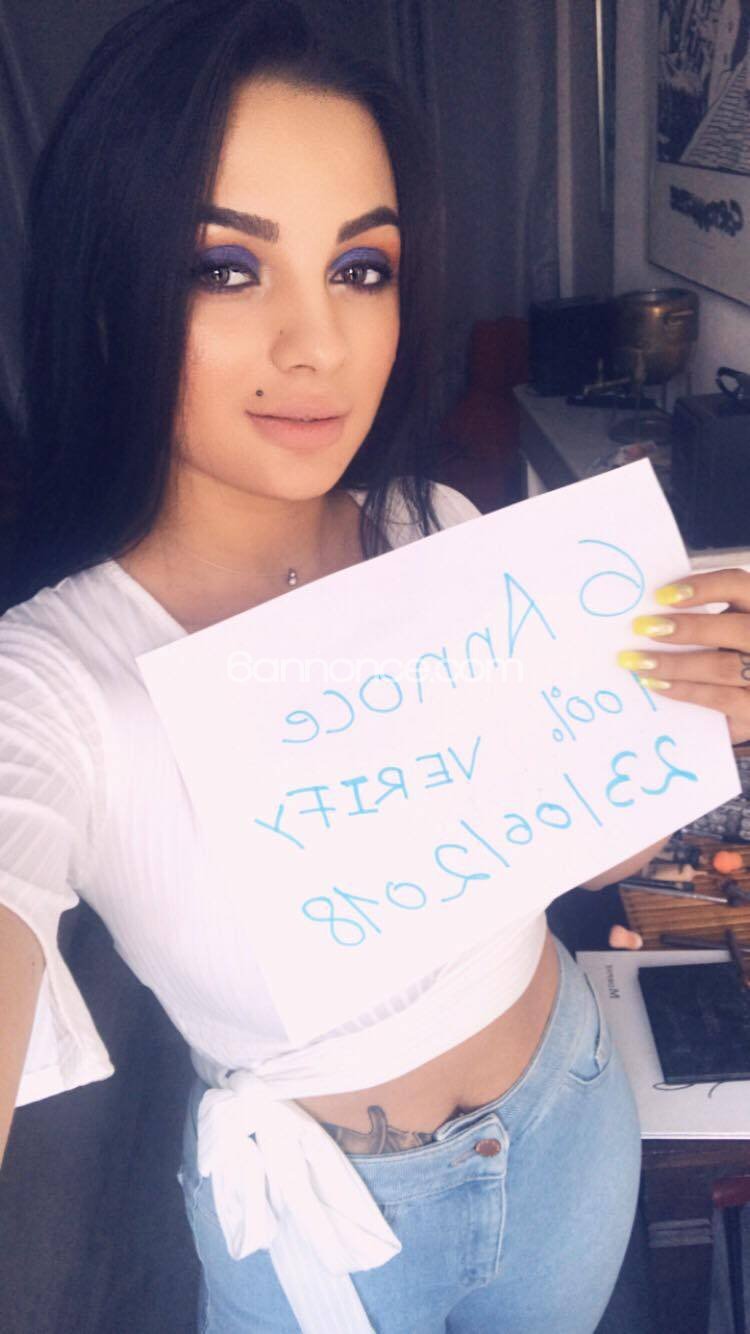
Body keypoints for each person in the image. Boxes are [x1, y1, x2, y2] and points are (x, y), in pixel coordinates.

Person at [2, 2, 750, 1330]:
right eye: (224, 268)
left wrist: (694, 716)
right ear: (107, 287)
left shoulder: (437, 529)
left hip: (569, 1119)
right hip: (314, 1226)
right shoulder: (51, 684)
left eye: (360, 268)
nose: (319, 344)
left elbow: (563, 856)